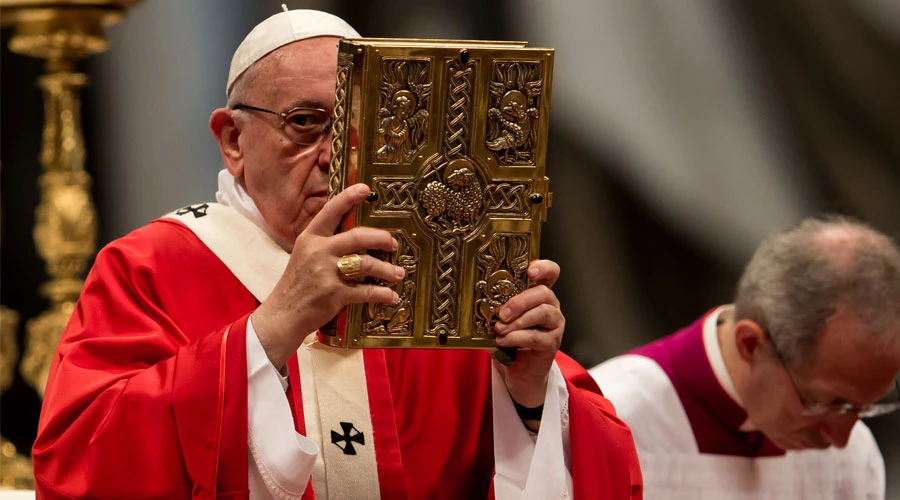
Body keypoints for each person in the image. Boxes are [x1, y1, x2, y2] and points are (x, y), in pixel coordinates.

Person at [31, 8, 643, 499]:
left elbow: (608, 469)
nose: (337, 154)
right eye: (306, 122)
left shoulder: (446, 271)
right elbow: (80, 466)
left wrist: (530, 395)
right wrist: (269, 332)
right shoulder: (152, 268)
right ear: (233, 140)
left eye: (363, 127)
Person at [590, 216, 900, 499]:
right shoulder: (607, 420)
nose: (842, 438)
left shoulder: (854, 457)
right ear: (750, 345)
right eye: (828, 403)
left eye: (864, 406)